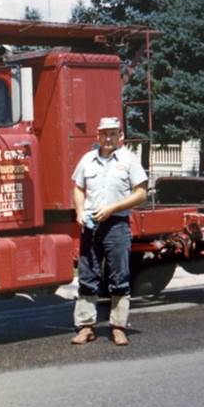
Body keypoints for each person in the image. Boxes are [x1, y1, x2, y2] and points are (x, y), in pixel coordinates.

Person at [70, 116, 147, 347]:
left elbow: (141, 193)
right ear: (98, 135)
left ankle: (118, 327)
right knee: (87, 275)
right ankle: (86, 327)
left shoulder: (129, 160)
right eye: (104, 133)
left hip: (117, 225)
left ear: (120, 136)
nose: (108, 138)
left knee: (119, 276)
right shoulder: (88, 160)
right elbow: (78, 187)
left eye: (113, 133)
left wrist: (113, 208)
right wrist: (79, 211)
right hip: (91, 225)